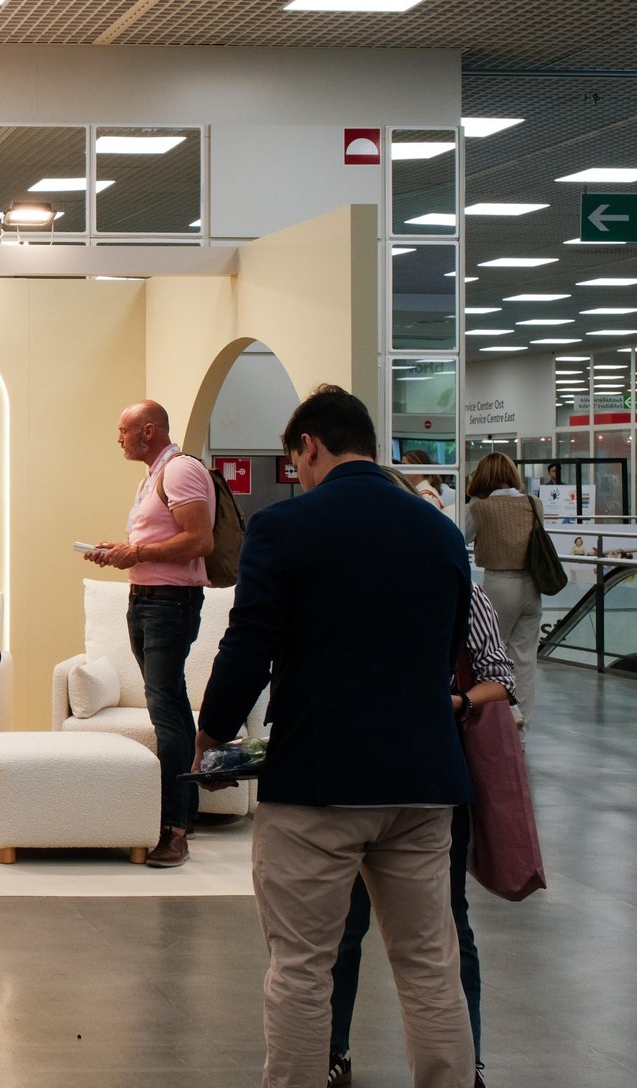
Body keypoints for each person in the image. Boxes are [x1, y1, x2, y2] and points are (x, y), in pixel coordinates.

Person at [197, 385, 474, 1088]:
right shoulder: (440, 533)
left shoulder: (284, 528)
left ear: (309, 446)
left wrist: (212, 733)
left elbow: (248, 645)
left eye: (297, 464)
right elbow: (448, 651)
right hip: (422, 782)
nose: (300, 476)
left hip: (317, 784)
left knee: (301, 968)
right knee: (430, 966)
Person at [328, 482, 515, 1087]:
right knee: (345, 926)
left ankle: (467, 1061)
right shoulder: (350, 584)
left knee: (446, 924)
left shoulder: (464, 592)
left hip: (430, 774)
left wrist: (456, 701)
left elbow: (501, 676)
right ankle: (332, 1054)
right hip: (360, 772)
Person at [84, 399, 214, 869]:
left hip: (168, 605)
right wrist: (124, 551)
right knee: (173, 707)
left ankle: (173, 829)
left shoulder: (180, 471)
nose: (118, 438)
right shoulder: (152, 476)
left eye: (124, 430)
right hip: (149, 601)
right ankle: (186, 813)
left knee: (165, 714)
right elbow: (160, 541)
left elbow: (200, 540)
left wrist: (135, 553)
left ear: (149, 431)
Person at [466, 452, 544, 730]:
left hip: (499, 584)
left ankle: (509, 713)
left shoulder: (479, 508)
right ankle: (521, 736)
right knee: (525, 661)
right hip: (532, 587)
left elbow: (458, 537)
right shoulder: (534, 503)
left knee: (492, 656)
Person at [402, 448, 451, 513]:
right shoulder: (421, 493)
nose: (401, 471)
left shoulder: (426, 496)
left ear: (418, 468)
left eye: (404, 466)